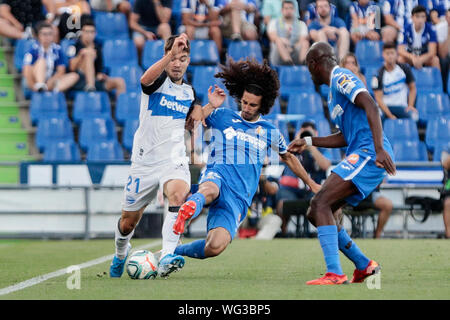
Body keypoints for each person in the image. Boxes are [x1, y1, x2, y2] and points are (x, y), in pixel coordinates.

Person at [172, 58, 321, 261]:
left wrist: (311, 182)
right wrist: (209, 105)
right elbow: (192, 121)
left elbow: (289, 157)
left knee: (214, 246)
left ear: (263, 105)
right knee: (210, 189)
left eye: (252, 105)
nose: (247, 108)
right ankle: (187, 211)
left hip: (238, 197)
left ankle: (171, 251)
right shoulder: (223, 115)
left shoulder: (270, 131)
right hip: (217, 174)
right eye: (244, 102)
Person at [288, 41, 396, 285]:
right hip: (361, 151)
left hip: (368, 152)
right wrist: (309, 140)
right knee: (316, 212)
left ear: (315, 64)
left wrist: (379, 149)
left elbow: (370, 103)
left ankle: (335, 273)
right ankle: (364, 265)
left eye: (308, 66)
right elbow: (345, 136)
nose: (308, 72)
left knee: (321, 202)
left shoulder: (341, 76)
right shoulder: (332, 93)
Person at [109, 34, 206, 279]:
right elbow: (144, 79)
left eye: (182, 59)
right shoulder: (156, 82)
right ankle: (121, 253)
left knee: (178, 194)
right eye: (174, 58)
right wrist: (169, 54)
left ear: (188, 62)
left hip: (173, 159)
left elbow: (189, 124)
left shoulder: (189, 92)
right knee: (127, 222)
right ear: (166, 57)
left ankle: (166, 257)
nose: (177, 63)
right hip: (145, 161)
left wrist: (209, 107)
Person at [276, 121, 331, 235]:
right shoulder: (294, 147)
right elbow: (280, 158)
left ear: (316, 133)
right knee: (282, 203)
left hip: (313, 188)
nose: (306, 137)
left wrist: (311, 146)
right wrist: (296, 141)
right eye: (303, 133)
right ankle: (284, 233)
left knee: (319, 201)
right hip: (292, 189)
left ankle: (322, 233)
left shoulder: (322, 149)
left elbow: (325, 165)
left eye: (309, 134)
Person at [67, 19, 126, 96]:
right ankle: (90, 87)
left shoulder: (98, 48)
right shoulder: (73, 46)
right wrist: (81, 55)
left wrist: (101, 75)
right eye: (87, 32)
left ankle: (121, 107)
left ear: (95, 33)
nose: (89, 34)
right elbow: (72, 68)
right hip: (79, 80)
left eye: (92, 32)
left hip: (95, 80)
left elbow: (100, 70)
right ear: (82, 33)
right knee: (89, 54)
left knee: (120, 81)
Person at [22, 21, 79, 93]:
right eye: (44, 34)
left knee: (74, 76)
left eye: (50, 34)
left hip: (50, 80)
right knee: (41, 61)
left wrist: (52, 80)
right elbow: (27, 70)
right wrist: (32, 86)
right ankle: (40, 85)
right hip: (34, 80)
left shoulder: (58, 50)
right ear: (38, 36)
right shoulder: (32, 49)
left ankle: (49, 91)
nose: (47, 37)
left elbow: (61, 70)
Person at [373, 42, 418, 120]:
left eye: (392, 53)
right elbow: (378, 99)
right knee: (377, 116)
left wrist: (410, 105)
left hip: (402, 106)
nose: (390, 56)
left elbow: (412, 88)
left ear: (396, 54)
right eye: (387, 53)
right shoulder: (377, 74)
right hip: (386, 107)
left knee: (414, 117)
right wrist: (390, 115)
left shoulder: (405, 69)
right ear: (383, 54)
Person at [239, 171, 282, 240]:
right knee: (230, 217)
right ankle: (234, 241)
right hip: (245, 216)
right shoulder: (243, 175)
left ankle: (258, 241)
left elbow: (273, 190)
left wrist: (260, 176)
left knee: (276, 220)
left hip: (262, 217)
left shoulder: (270, 177)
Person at [267, 0, 309, 66]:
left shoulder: (301, 24)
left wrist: (291, 47)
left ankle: (303, 65)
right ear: (282, 10)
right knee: (278, 41)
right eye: (286, 8)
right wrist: (284, 43)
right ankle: (289, 63)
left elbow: (302, 39)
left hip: (295, 51)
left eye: (291, 8)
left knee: (305, 43)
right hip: (279, 54)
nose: (288, 11)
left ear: (294, 10)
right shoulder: (274, 22)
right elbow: (272, 37)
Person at [398, 5, 440, 70]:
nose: (420, 20)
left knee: (435, 60)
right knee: (400, 59)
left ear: (426, 18)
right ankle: (401, 79)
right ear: (412, 17)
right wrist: (413, 57)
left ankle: (437, 80)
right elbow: (400, 50)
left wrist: (420, 59)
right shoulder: (405, 29)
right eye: (417, 16)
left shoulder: (431, 29)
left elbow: (432, 51)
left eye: (423, 17)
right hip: (411, 57)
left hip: (425, 57)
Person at [436, 9, 450, 92]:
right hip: (446, 57)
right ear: (445, 17)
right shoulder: (440, 28)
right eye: (448, 17)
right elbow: (442, 54)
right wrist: (448, 34)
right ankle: (444, 89)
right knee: (444, 61)